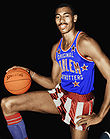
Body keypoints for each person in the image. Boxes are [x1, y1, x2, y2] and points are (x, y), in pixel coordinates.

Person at [1, 3, 110, 139]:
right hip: (60, 95)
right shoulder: (56, 49)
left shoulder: (85, 43)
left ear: (74, 18)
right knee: (7, 104)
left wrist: (100, 115)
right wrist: (29, 73)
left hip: (80, 103)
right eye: (58, 17)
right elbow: (53, 83)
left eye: (66, 16)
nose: (61, 20)